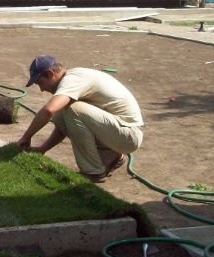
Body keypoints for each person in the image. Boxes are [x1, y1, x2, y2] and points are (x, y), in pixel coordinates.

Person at [16, 54, 144, 183]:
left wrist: (26, 137)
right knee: (64, 110)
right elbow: (63, 125)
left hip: (128, 135)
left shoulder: (73, 80)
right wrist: (43, 148)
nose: (42, 89)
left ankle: (93, 172)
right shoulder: (73, 79)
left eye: (40, 83)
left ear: (50, 73)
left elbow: (49, 110)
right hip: (120, 131)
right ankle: (112, 157)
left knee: (71, 109)